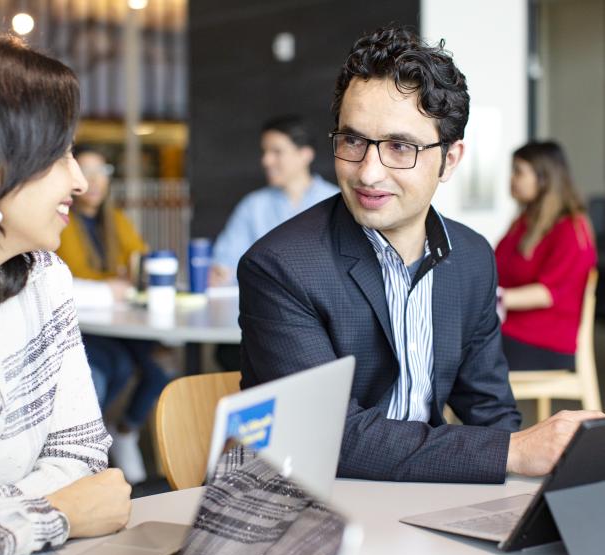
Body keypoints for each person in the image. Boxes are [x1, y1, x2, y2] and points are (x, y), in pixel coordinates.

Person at [238, 25, 603, 484]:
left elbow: (489, 410)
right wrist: (512, 452)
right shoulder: (281, 267)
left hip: (422, 498)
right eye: (352, 141)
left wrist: (517, 502)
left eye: (400, 147)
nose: (368, 173)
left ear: (450, 160)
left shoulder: (471, 258)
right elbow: (327, 437)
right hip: (305, 508)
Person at [0, 36, 130, 555]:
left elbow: (83, 454)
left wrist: (2, 518)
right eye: (59, 153)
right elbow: (79, 500)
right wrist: (58, 512)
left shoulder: (45, 280)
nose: (78, 179)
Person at [56, 145, 170, 485]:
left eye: (101, 173)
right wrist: (112, 284)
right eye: (85, 171)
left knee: (163, 367)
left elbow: (141, 261)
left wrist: (127, 277)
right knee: (110, 368)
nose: (92, 181)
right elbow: (67, 274)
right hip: (88, 326)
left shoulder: (114, 219)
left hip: (123, 324)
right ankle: (83, 458)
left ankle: (125, 431)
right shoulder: (61, 219)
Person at [495, 141, 597, 370]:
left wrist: (494, 299)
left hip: (544, 342)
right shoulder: (523, 224)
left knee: (457, 349)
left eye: (518, 172)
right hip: (513, 329)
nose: (512, 179)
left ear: (543, 177)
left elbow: (547, 293)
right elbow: (495, 267)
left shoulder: (571, 229)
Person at [209, 115, 339, 287]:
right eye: (265, 152)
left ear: (305, 155)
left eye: (277, 152)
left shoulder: (337, 202)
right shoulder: (252, 206)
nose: (266, 161)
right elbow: (223, 268)